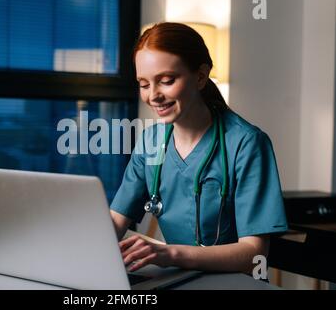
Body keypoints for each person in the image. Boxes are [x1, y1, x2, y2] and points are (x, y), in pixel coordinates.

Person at [109, 22, 288, 275]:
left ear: (201, 76)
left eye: (167, 80)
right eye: (144, 84)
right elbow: (116, 220)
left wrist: (169, 254)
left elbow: (254, 255)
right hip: (178, 278)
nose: (154, 96)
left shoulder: (247, 144)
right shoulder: (151, 142)